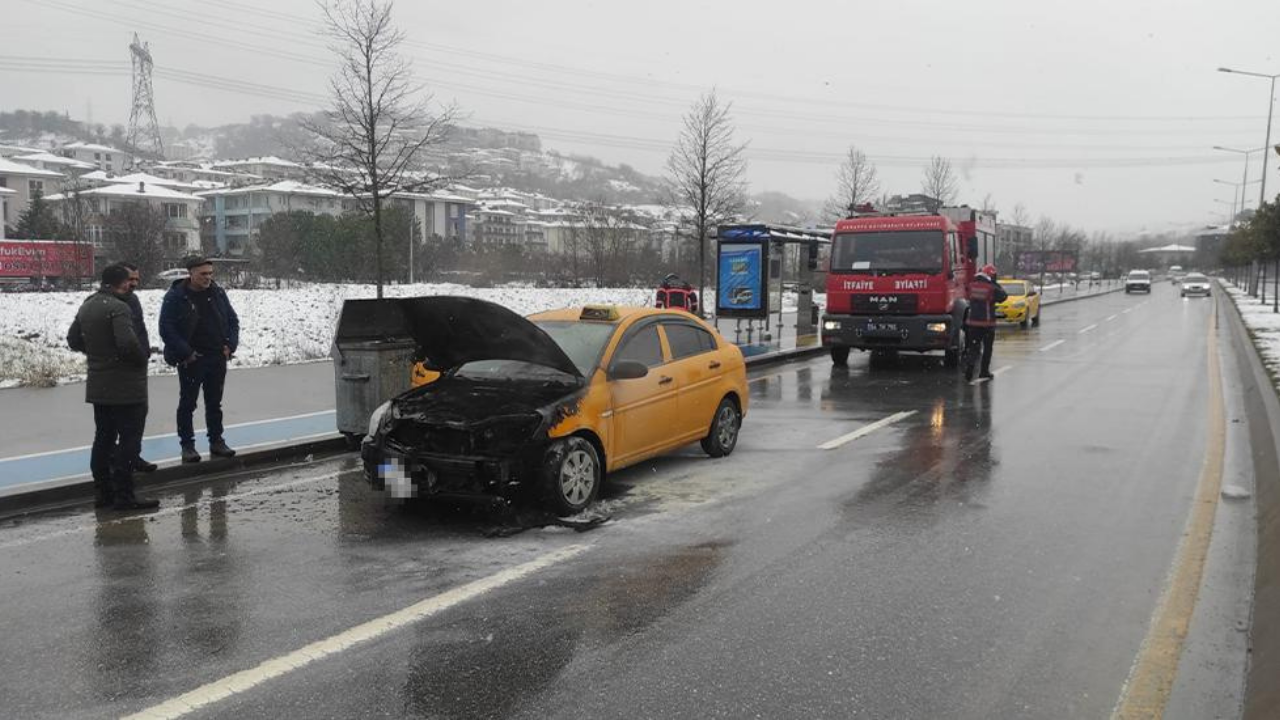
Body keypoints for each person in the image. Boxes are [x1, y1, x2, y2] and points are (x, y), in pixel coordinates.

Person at [66, 264, 160, 510]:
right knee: (129, 441)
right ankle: (125, 495)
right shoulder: (119, 307)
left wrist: (98, 354)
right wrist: (141, 359)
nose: (133, 284)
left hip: (99, 384)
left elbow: (73, 339)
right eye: (130, 281)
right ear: (120, 282)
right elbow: (128, 344)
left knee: (103, 439)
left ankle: (103, 492)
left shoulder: (89, 304)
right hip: (126, 387)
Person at [159, 256, 240, 464]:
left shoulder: (218, 293)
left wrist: (230, 345)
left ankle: (216, 440)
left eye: (210, 273)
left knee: (214, 403)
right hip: (192, 360)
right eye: (203, 274)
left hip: (217, 357)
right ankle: (187, 445)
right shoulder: (176, 297)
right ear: (191, 273)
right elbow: (166, 328)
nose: (208, 278)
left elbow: (232, 320)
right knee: (187, 404)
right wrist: (186, 352)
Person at [120, 263, 158, 473]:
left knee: (138, 414)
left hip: (137, 368)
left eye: (136, 279)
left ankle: (133, 455)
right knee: (116, 421)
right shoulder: (108, 303)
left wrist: (144, 353)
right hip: (117, 372)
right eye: (130, 279)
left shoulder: (133, 300)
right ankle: (118, 461)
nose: (134, 283)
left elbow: (140, 328)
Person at [963, 264, 1008, 382]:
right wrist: (994, 283)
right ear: (991, 276)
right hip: (987, 324)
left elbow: (967, 294)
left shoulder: (971, 285)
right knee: (987, 349)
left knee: (973, 347)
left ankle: (969, 368)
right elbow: (1003, 296)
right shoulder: (991, 288)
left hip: (972, 323)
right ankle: (984, 371)